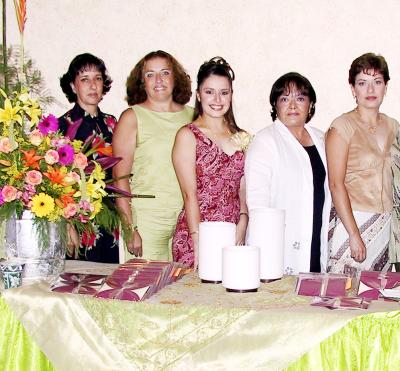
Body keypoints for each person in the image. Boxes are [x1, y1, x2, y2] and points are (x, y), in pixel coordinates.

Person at [245, 72, 331, 274]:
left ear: (310, 104)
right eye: (285, 98)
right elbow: (257, 203)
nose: (292, 105)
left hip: (316, 238)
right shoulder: (265, 140)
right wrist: (265, 256)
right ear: (275, 105)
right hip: (278, 245)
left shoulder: (322, 139)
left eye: (300, 98)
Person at [113, 50, 193, 261]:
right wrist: (130, 227)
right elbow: (119, 177)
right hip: (147, 221)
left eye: (165, 72)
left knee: (183, 291)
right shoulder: (132, 117)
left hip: (186, 218)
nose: (158, 80)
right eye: (150, 74)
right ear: (142, 82)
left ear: (175, 77)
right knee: (145, 289)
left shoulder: (193, 116)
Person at [172, 57, 249, 268]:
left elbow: (243, 188)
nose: (217, 99)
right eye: (209, 92)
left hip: (233, 233)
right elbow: (189, 194)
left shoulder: (241, 136)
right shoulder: (188, 135)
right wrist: (198, 241)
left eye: (224, 92)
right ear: (198, 94)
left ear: (231, 95)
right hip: (197, 233)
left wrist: (243, 220)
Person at [326, 53, 398, 275]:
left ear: (385, 86)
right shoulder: (342, 127)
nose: (370, 90)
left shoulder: (393, 126)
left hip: (386, 224)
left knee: (377, 300)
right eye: (362, 83)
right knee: (344, 299)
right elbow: (336, 184)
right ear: (352, 88)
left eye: (377, 82)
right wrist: (354, 234)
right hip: (353, 221)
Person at [59, 53, 119, 263]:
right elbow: (56, 182)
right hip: (78, 220)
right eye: (85, 79)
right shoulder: (61, 127)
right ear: (73, 86)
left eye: (98, 78)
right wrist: (67, 225)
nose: (93, 85)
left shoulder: (113, 124)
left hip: (111, 219)